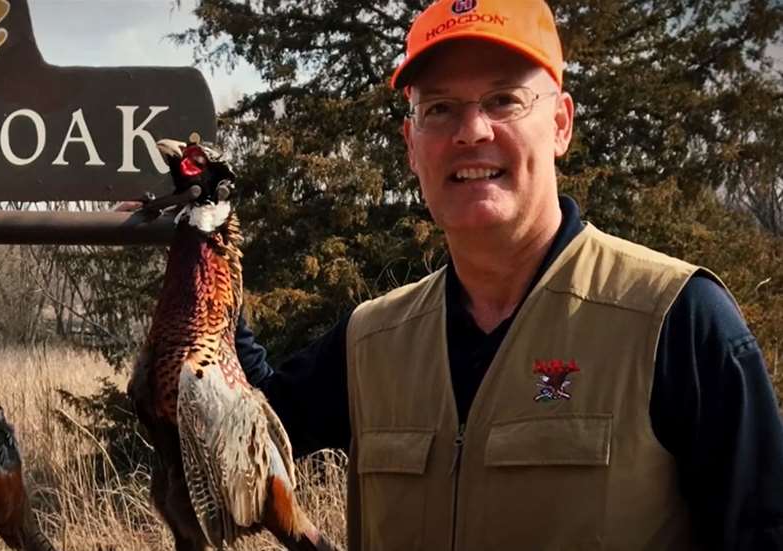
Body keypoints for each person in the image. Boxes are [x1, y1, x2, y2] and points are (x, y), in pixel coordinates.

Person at [232, 0, 783, 549]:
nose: (471, 131)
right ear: (411, 146)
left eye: (503, 100)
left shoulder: (675, 319)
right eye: (440, 108)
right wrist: (202, 253)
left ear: (561, 123)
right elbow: (237, 432)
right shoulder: (370, 341)